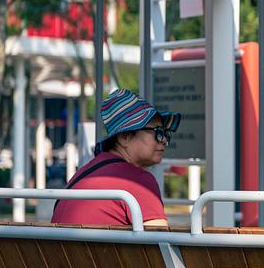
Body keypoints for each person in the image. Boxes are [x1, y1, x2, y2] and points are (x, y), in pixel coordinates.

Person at [52, 88, 181, 227]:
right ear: (124, 137)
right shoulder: (137, 181)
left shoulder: (81, 176)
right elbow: (160, 243)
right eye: (158, 132)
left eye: (165, 134)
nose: (164, 141)